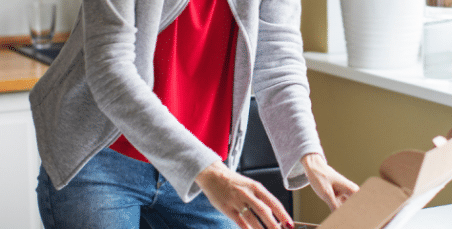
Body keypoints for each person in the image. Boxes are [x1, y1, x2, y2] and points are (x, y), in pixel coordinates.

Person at [29, 0, 359, 228]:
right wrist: (209, 171)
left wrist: (311, 158)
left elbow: (279, 63)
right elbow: (111, 70)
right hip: (102, 158)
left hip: (208, 165)